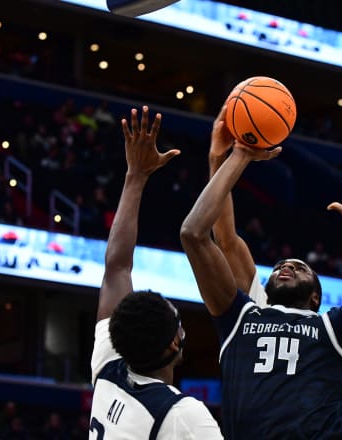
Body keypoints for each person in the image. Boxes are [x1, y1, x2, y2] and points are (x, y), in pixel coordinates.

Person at [180, 104, 342, 439]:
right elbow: (200, 235)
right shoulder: (241, 315)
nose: (287, 265)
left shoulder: (333, 327)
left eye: (299, 267)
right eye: (279, 266)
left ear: (315, 296)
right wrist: (229, 157)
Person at [90, 106, 222, 439]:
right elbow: (116, 267)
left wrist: (135, 175)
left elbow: (117, 266)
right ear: (172, 346)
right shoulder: (183, 415)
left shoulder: (109, 369)